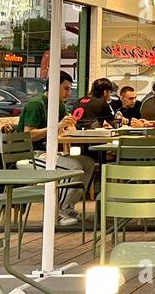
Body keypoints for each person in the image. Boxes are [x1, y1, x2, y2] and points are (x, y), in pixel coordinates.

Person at [15, 71, 95, 227]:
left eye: (70, 89)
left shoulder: (58, 105)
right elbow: (28, 135)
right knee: (74, 167)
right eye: (66, 89)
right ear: (53, 87)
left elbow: (67, 126)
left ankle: (69, 207)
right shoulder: (36, 104)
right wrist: (57, 126)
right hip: (30, 155)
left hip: (48, 153)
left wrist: (68, 125)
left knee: (87, 163)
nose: (69, 93)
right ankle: (59, 212)